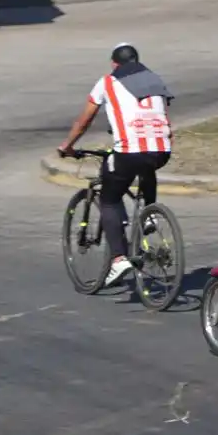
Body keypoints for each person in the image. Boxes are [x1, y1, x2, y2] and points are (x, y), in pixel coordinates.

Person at [57, 43, 174, 287]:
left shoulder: (107, 82)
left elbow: (84, 120)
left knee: (109, 198)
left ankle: (119, 258)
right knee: (146, 164)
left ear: (114, 63)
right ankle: (149, 213)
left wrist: (68, 145)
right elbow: (161, 116)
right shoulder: (155, 79)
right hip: (162, 149)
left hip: (129, 151)